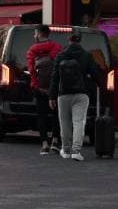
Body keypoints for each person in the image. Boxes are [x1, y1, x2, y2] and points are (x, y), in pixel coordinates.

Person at [49, 27, 101, 162]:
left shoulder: (60, 55)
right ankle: (76, 151)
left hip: (63, 94)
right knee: (79, 122)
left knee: (64, 123)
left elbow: (55, 77)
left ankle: (66, 150)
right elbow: (96, 75)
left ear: (69, 39)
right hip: (81, 94)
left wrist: (52, 96)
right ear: (80, 40)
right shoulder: (87, 56)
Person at [26, 25, 62, 155]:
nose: (34, 36)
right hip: (54, 88)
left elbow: (31, 70)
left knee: (41, 115)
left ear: (40, 34)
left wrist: (36, 84)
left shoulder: (32, 50)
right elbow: (59, 69)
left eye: (35, 33)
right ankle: (56, 141)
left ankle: (44, 144)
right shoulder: (57, 47)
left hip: (40, 88)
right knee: (56, 115)